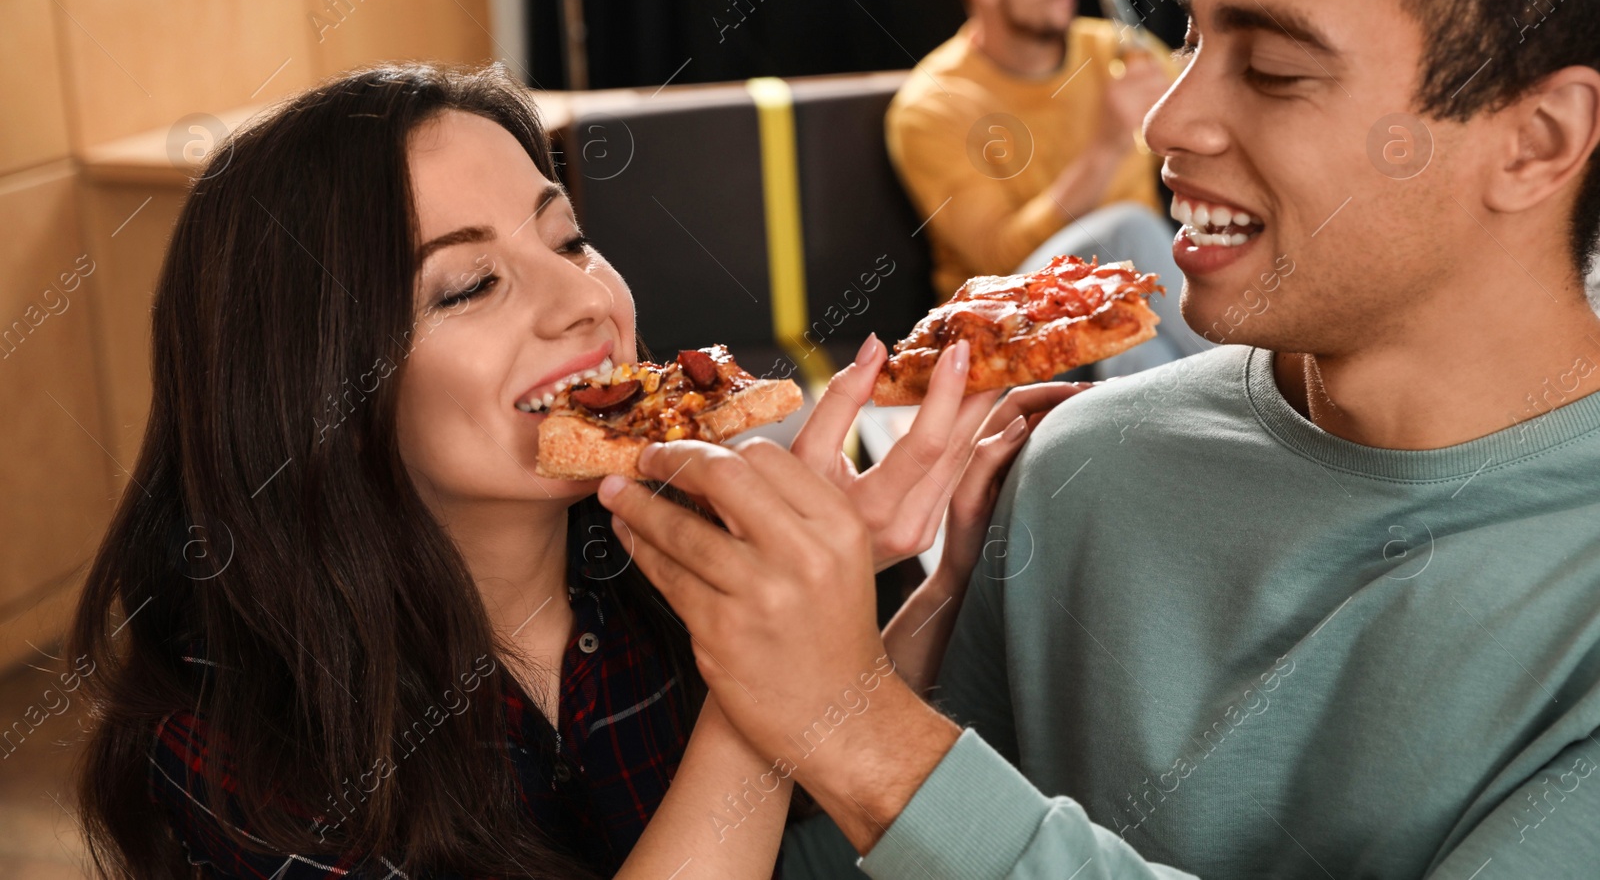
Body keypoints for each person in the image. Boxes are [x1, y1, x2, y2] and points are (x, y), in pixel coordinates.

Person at [599, 0, 1600, 876]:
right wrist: (837, 667)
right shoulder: (1076, 464)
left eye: (1268, 68)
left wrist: (856, 727)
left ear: (1534, 142)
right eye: (1195, 43)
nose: (1164, 122)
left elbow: (896, 782)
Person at [66, 63, 1072, 879]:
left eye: (570, 237)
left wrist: (929, 582)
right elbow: (770, 737)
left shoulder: (667, 554)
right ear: (313, 385)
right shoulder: (226, 738)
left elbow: (802, 810)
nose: (580, 301)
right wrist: (761, 663)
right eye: (468, 285)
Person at [889, 0, 1210, 374]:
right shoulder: (933, 105)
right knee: (1126, 231)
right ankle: (1260, 398)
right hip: (1008, 335)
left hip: (1114, 323)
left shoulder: (1115, 51)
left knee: (1131, 339)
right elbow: (998, 262)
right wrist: (1105, 147)